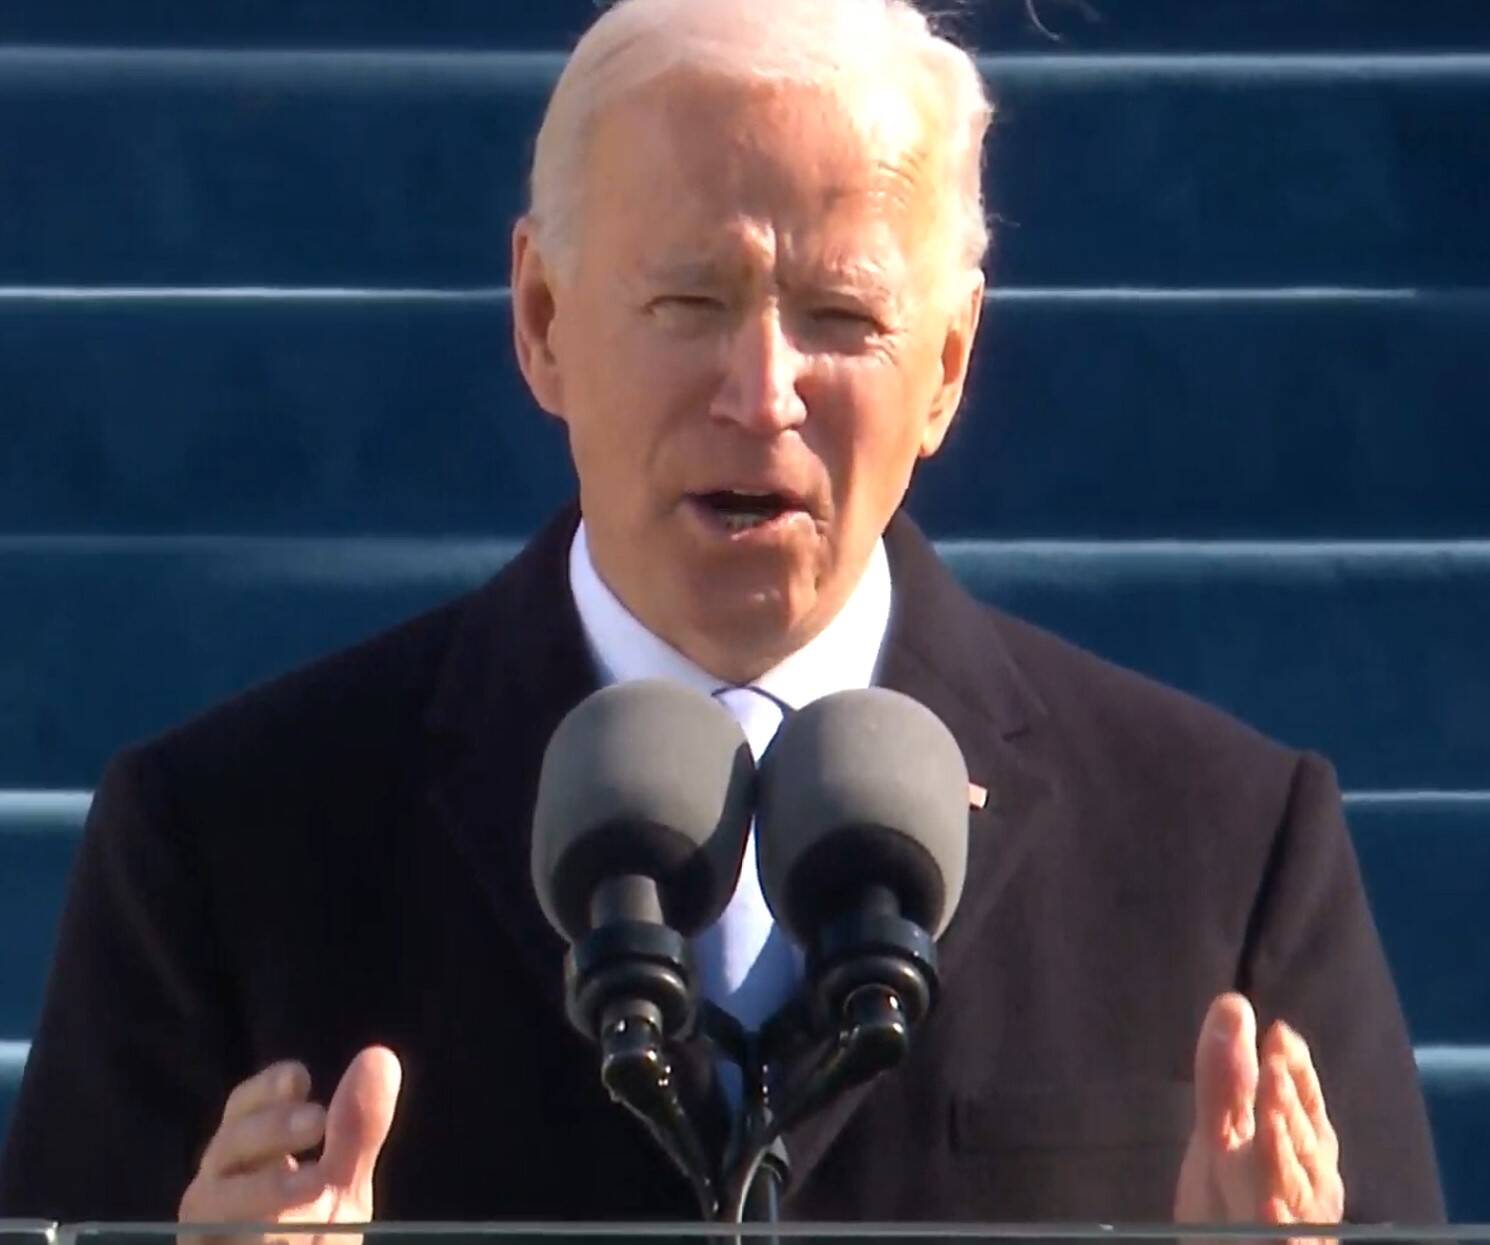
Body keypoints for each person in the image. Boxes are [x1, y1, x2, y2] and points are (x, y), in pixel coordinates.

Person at [0, 0, 1443, 1229]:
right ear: (542, 318)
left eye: (842, 319)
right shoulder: (223, 845)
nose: (761, 395)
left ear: (947, 364)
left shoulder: (1222, 850)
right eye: (689, 302)